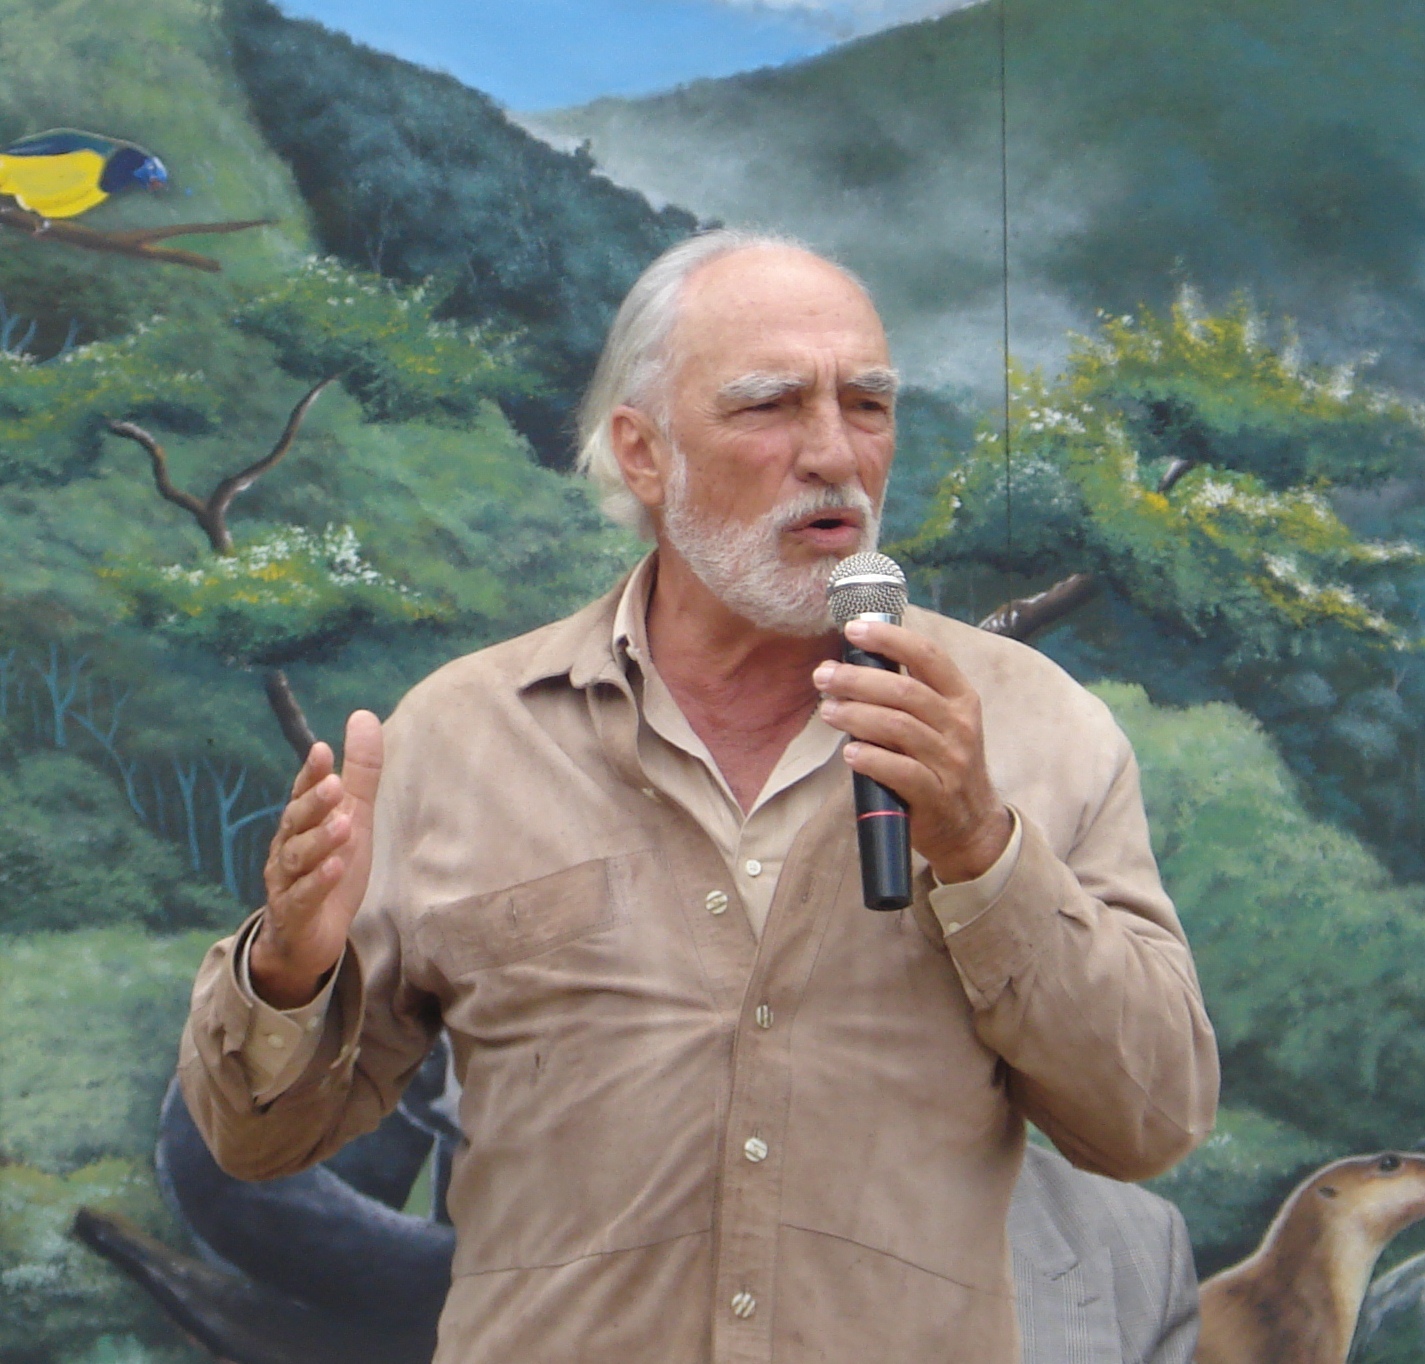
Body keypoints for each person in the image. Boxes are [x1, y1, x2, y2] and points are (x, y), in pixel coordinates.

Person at [180, 228, 1218, 1363]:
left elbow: (1149, 1120)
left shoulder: (1041, 729)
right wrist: (288, 974)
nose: (835, 454)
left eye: (868, 405)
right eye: (770, 405)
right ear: (643, 453)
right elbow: (256, 1142)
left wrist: (982, 849)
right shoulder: (462, 736)